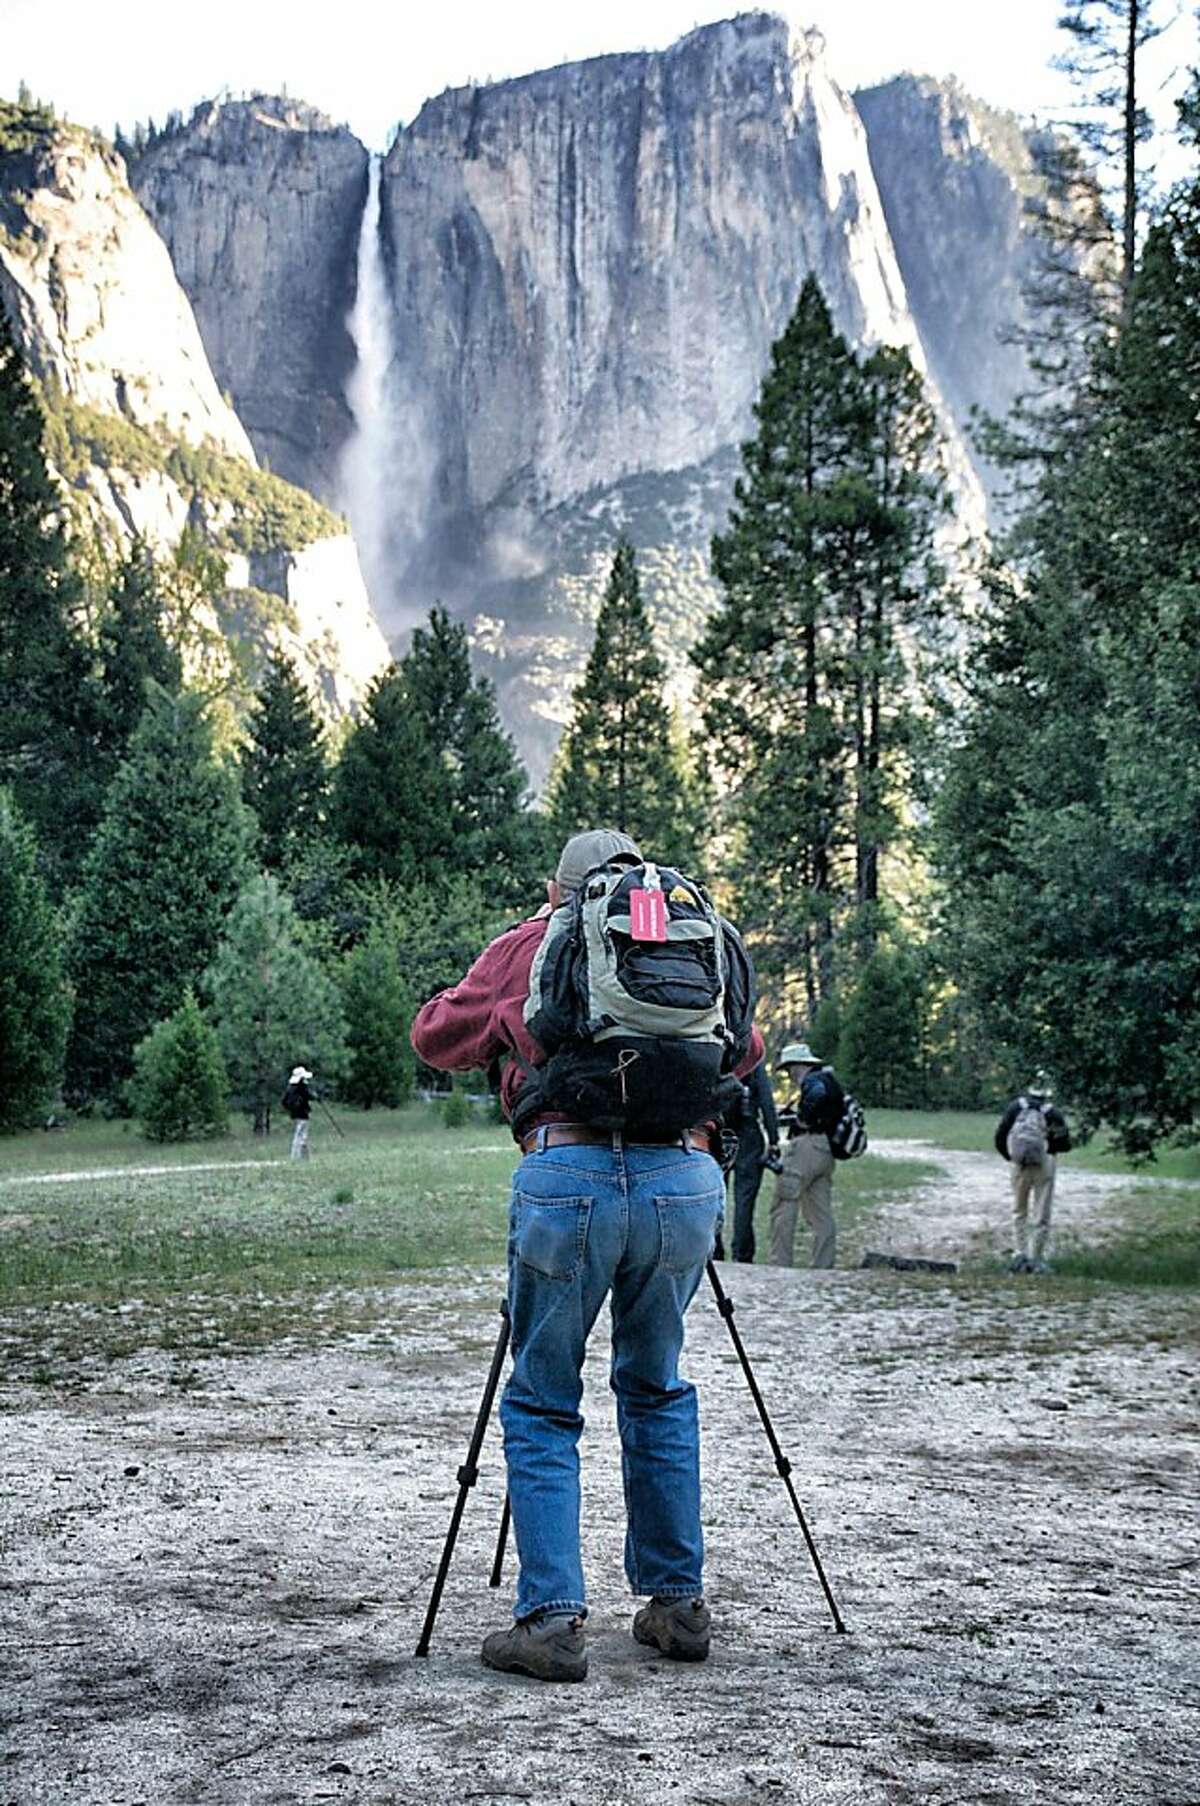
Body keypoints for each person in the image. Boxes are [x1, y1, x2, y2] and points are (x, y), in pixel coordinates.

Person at [411, 827, 764, 1684]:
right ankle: (677, 1604)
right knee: (656, 1385)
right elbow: (745, 1051)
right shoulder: (695, 931)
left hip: (566, 1172)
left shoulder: (531, 942)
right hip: (683, 1179)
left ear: (555, 887)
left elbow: (434, 1037)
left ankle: (552, 1619)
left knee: (539, 1397)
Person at [769, 1042, 845, 1270]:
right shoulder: (829, 1079)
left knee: (784, 1201)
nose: (789, 1075)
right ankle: (823, 1265)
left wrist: (803, 1118)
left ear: (796, 1066)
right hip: (825, 1149)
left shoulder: (813, 1082)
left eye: (789, 1069)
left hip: (806, 1147)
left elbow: (816, 1096)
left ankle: (780, 1263)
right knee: (820, 1211)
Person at [994, 1081, 1071, 1273]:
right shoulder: (1052, 1112)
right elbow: (1065, 1143)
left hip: (1019, 1164)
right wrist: (1049, 1148)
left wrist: (1010, 1157)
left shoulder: (1015, 1107)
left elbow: (1000, 1136)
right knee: (1041, 1212)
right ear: (1047, 1094)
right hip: (1044, 1164)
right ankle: (1036, 1257)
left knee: (1019, 1211)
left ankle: (1019, 1254)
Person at [727, 1061, 781, 1263]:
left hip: (719, 1134)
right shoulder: (754, 1063)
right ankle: (742, 1253)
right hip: (749, 1135)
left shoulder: (719, 1055)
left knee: (716, 1195)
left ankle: (713, 1250)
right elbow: (767, 1102)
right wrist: (774, 1140)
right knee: (745, 1200)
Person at [283, 1065, 313, 1160]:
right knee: (301, 1136)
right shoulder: (301, 1088)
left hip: (294, 1114)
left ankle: (302, 1157)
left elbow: (284, 1101)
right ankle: (298, 1157)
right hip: (302, 1114)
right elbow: (308, 1096)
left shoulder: (291, 1088)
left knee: (300, 1135)